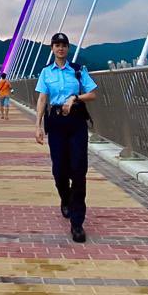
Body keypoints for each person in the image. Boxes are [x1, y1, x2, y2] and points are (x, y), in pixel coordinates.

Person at [34, 32, 98, 243]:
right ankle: (65, 198)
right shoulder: (46, 72)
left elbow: (93, 94)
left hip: (76, 121)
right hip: (56, 122)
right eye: (57, 45)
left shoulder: (78, 70)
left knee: (79, 171)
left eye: (64, 45)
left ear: (68, 48)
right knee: (59, 170)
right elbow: (43, 98)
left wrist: (74, 97)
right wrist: (38, 126)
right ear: (52, 48)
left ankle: (77, 223)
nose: (60, 48)